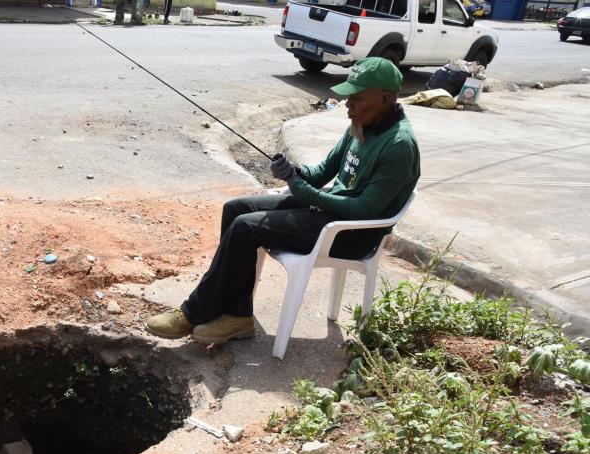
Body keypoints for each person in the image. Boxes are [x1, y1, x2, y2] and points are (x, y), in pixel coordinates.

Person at [145, 57, 420, 345]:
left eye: (357, 98)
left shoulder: (398, 145)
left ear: (385, 99)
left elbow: (365, 210)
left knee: (245, 227)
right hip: (328, 213)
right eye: (349, 97)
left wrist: (306, 193)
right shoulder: (363, 122)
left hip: (350, 234)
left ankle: (194, 312)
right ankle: (237, 315)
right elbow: (322, 171)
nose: (348, 105)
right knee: (236, 209)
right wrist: (294, 172)